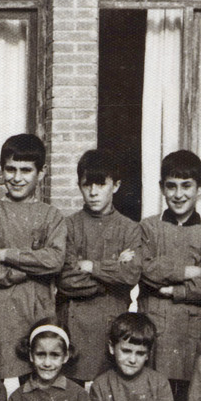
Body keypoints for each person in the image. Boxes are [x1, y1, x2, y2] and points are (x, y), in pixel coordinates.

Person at [0, 133, 67, 382]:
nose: (17, 178)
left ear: (41, 173)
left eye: (26, 170)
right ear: (2, 170)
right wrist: (21, 272)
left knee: (35, 387)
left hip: (33, 312)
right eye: (10, 169)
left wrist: (5, 254)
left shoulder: (51, 216)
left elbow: (54, 260)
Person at [138, 149, 201, 401]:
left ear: (200, 188)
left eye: (186, 186)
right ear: (161, 188)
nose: (178, 194)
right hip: (157, 334)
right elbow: (144, 269)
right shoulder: (148, 229)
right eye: (171, 186)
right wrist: (187, 271)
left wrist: (175, 291)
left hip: (194, 336)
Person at [57, 149, 142, 384]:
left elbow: (131, 274)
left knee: (109, 392)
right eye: (87, 185)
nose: (93, 192)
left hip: (111, 324)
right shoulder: (68, 226)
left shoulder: (130, 228)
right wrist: (112, 275)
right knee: (71, 393)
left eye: (101, 184)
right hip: (73, 326)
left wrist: (91, 266)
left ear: (116, 186)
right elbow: (66, 280)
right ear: (79, 185)